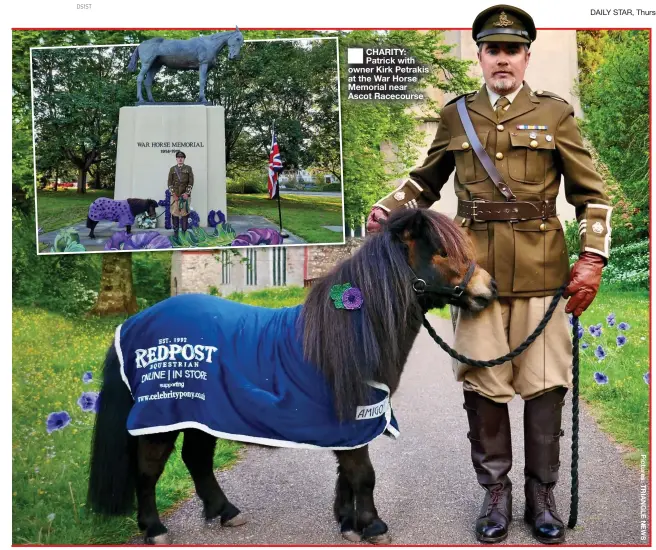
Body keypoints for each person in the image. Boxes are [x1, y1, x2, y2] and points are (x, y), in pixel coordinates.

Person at [366, 5, 611, 545]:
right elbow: (424, 182)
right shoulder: (457, 116)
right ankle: (495, 492)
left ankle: (541, 496)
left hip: (543, 274)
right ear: (480, 55)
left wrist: (591, 259)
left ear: (526, 56)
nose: (502, 59)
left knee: (545, 386)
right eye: (493, 49)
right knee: (483, 385)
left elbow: (592, 194)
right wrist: (386, 208)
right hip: (471, 274)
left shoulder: (555, 114)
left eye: (512, 50)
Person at [167, 151, 194, 236]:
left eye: (182, 157)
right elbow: (169, 183)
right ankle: (176, 234)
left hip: (185, 196)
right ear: (176, 159)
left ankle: (184, 234)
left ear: (184, 159)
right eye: (178, 157)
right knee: (175, 214)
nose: (180, 159)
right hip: (175, 196)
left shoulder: (188, 168)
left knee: (184, 214)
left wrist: (187, 193)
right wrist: (173, 194)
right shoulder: (172, 169)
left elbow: (191, 181)